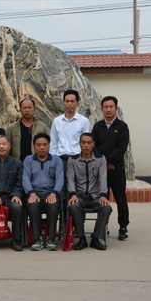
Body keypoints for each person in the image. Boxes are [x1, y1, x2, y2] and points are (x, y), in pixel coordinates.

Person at [92, 96, 130, 241]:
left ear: (116, 109)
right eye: (105, 107)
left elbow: (121, 148)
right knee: (102, 198)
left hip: (116, 169)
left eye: (111, 107)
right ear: (102, 109)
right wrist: (103, 163)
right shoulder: (98, 126)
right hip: (101, 170)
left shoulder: (122, 127)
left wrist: (109, 161)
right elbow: (93, 146)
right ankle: (104, 226)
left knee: (121, 199)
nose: (108, 109)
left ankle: (123, 227)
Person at [49, 89, 91, 221]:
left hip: (78, 160)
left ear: (77, 103)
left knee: (78, 193)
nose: (69, 104)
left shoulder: (83, 121)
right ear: (63, 102)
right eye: (67, 101)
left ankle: (79, 225)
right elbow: (53, 143)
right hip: (60, 161)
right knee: (62, 194)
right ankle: (65, 224)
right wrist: (53, 162)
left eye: (72, 101)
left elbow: (87, 143)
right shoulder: (57, 121)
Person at [67, 133, 112, 250]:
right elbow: (70, 179)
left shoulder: (100, 159)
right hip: (79, 196)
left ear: (93, 144)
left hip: (95, 197)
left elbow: (103, 178)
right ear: (79, 144)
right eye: (83, 143)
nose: (86, 145)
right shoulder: (73, 160)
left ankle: (96, 238)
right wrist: (73, 194)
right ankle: (81, 238)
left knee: (106, 207)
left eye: (89, 143)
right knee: (73, 207)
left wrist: (103, 195)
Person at [23, 133, 64, 251]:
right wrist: (31, 193)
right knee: (33, 205)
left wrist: (54, 193)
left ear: (49, 146)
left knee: (53, 205)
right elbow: (25, 178)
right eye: (38, 145)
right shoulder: (28, 159)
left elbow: (60, 179)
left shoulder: (57, 160)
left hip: (51, 192)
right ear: (34, 146)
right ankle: (37, 239)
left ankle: (50, 239)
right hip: (34, 192)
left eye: (45, 145)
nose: (42, 147)